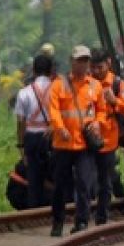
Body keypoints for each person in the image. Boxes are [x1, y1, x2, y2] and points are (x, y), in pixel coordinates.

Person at [47, 45, 103, 236]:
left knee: (84, 184)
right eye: (79, 60)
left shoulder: (95, 86)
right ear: (72, 61)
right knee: (60, 186)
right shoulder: (59, 84)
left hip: (84, 145)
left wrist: (98, 123)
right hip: (63, 144)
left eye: (86, 60)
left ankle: (81, 222)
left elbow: (101, 110)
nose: (83, 64)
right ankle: (57, 222)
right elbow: (53, 109)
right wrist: (60, 128)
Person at [90, 48, 124, 225]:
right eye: (93, 67)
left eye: (99, 67)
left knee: (105, 178)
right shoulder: (87, 83)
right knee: (88, 176)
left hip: (108, 139)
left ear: (108, 63)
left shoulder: (117, 84)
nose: (96, 71)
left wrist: (115, 101)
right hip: (88, 137)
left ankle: (102, 214)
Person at [14, 53, 55, 208]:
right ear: (51, 70)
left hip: (32, 138)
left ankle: (34, 210)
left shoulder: (24, 92)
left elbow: (21, 122)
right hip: (52, 137)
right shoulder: (57, 91)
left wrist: (21, 146)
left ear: (33, 70)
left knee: (33, 177)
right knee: (54, 175)